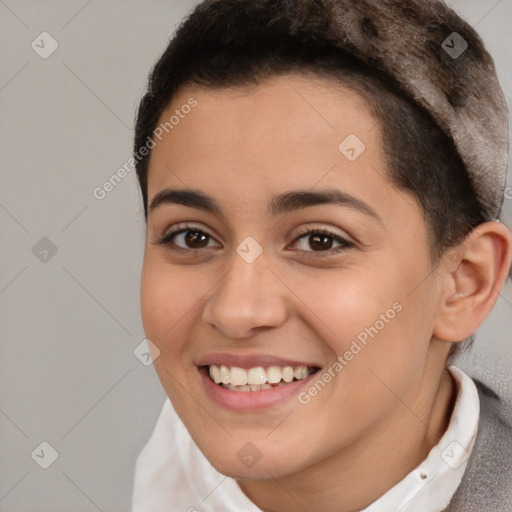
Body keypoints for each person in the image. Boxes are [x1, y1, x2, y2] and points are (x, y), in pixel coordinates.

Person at [130, 1, 512, 510]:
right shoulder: (161, 475)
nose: (235, 311)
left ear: (466, 282)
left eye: (320, 241)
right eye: (192, 237)